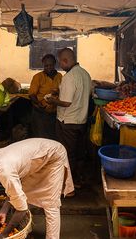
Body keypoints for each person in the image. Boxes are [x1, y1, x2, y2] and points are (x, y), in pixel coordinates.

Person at [0, 138, 74, 239]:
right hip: (38, 156)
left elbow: (22, 209)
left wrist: (3, 234)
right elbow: (12, 189)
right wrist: (3, 211)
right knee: (23, 194)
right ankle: (26, 230)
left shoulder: (5, 172)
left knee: (51, 203)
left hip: (54, 155)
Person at [47, 48, 91, 188]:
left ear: (65, 61)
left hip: (68, 121)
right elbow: (81, 94)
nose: (60, 65)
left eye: (60, 62)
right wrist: (59, 91)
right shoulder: (85, 73)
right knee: (78, 152)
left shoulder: (69, 76)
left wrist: (52, 100)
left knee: (67, 153)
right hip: (81, 120)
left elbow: (66, 102)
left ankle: (68, 185)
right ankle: (78, 179)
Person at [29, 54, 62, 139]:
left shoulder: (60, 76)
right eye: (46, 66)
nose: (48, 67)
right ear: (43, 65)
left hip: (55, 113)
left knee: (53, 136)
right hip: (41, 112)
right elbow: (32, 94)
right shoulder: (38, 77)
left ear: (55, 64)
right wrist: (38, 104)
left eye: (51, 65)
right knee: (41, 136)